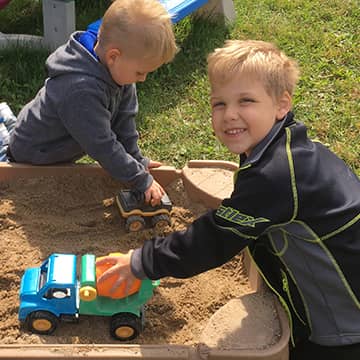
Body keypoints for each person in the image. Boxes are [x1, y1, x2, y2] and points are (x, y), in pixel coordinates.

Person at [96, 39, 360, 359]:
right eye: (218, 103)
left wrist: (140, 263)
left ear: (281, 104)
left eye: (245, 101)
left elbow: (213, 240)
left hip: (346, 323)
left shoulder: (274, 178)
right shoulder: (290, 150)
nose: (229, 114)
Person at [7, 0, 178, 205]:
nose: (143, 79)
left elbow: (124, 123)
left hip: (60, 149)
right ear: (114, 56)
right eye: (140, 72)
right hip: (33, 156)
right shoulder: (80, 90)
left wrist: (137, 160)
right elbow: (102, 145)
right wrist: (139, 179)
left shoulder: (119, 73)